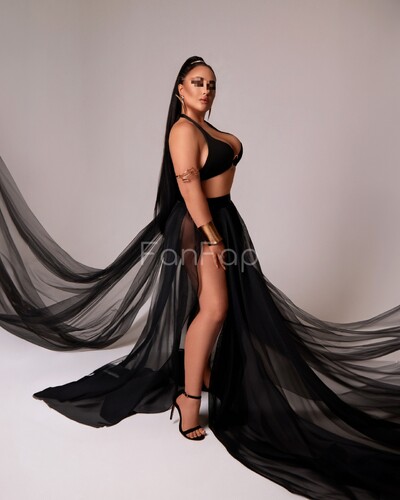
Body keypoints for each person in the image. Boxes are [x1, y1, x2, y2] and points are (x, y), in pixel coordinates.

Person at [1, 55, 400, 499]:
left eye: (211, 83)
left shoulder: (207, 128)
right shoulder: (183, 130)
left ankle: (202, 373)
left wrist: (221, 230)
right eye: (197, 82)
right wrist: (212, 237)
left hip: (222, 219)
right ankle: (189, 402)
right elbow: (189, 186)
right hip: (199, 225)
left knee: (211, 307)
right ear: (180, 90)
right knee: (215, 309)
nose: (206, 90)